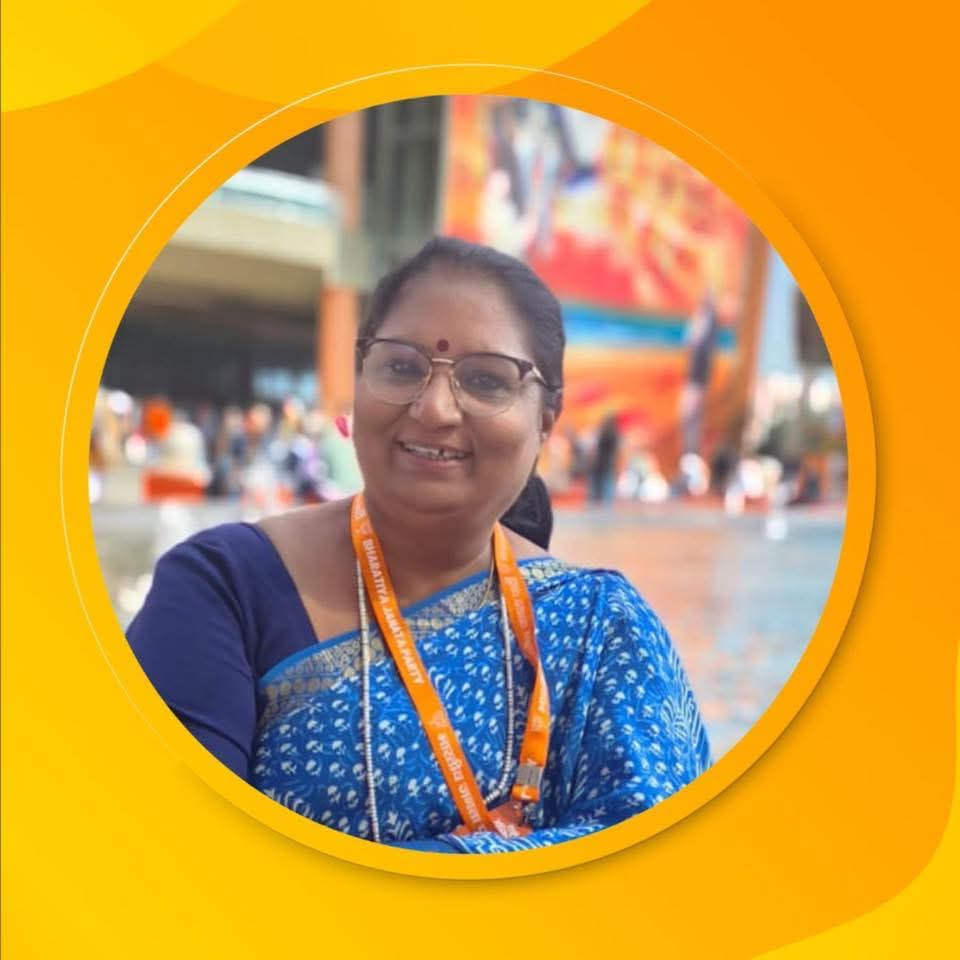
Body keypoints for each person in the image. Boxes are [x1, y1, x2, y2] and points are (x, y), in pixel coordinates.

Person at [127, 237, 710, 853]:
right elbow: (174, 859)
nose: (434, 409)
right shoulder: (225, 587)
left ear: (546, 419)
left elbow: (661, 862)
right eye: (402, 367)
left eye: (485, 380)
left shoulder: (599, 624)